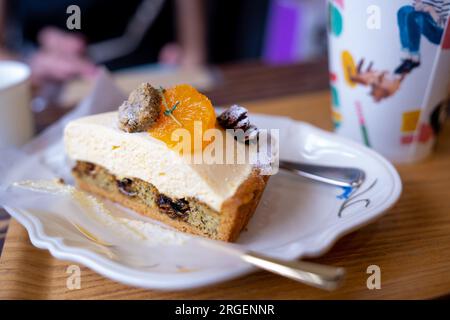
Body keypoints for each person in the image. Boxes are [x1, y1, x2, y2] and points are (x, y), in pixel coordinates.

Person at [0, 0, 206, 87]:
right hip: (51, 89)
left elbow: (193, 56)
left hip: (149, 71)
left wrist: (190, 56)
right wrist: (26, 67)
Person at [395, 0, 450, 74]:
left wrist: (431, 10)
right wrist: (418, 4)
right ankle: (408, 56)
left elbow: (445, 27)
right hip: (424, 19)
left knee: (414, 16)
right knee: (403, 11)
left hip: (438, 33)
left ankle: (415, 57)